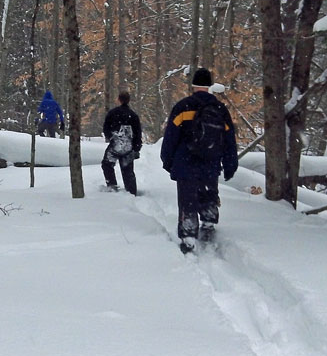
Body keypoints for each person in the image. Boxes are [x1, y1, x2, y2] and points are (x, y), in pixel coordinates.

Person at [160, 68, 238, 254]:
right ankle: (209, 222)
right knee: (208, 193)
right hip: (210, 162)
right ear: (210, 86)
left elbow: (171, 136)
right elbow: (229, 139)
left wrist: (167, 160)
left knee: (187, 199)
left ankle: (188, 237)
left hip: (186, 162)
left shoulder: (183, 107)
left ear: (193, 85)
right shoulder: (220, 109)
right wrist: (230, 165)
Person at [102, 91, 142, 195]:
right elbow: (138, 132)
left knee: (107, 164)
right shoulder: (133, 115)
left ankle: (112, 186)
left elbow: (106, 127)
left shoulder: (112, 113)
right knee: (127, 169)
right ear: (129, 100)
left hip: (115, 145)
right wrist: (137, 147)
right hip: (128, 147)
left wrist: (110, 137)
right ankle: (132, 191)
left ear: (119, 99)